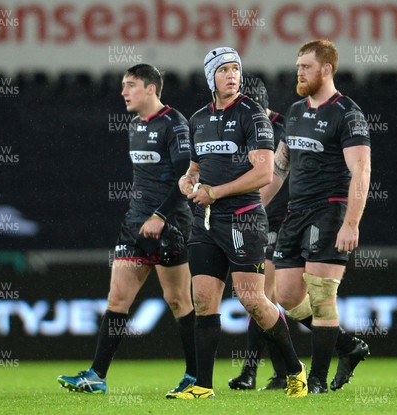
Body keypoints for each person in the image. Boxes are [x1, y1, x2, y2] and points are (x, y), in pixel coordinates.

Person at [166, 47, 307, 399]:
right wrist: (187, 181)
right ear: (209, 77)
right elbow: (195, 169)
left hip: (244, 221)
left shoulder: (253, 115)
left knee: (253, 301)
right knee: (203, 300)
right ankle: (202, 386)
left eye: (235, 68)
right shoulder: (197, 119)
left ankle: (294, 369)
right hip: (206, 223)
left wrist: (215, 193)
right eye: (224, 69)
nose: (232, 75)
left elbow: (263, 172)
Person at [57, 64, 196, 395]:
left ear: (151, 89)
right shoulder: (134, 125)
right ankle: (96, 376)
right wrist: (142, 216)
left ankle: (195, 374)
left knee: (177, 300)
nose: (123, 92)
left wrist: (161, 216)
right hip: (136, 223)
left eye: (130, 85)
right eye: (123, 86)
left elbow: (188, 180)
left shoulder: (174, 124)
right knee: (117, 297)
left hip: (170, 224)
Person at [260, 39, 371, 394]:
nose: (299, 73)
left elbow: (362, 172)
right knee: (288, 296)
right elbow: (279, 169)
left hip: (331, 211)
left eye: (305, 67)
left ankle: (318, 382)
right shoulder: (294, 112)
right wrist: (252, 209)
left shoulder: (348, 114)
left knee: (322, 296)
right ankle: (347, 346)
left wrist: (350, 222)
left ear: (327, 69)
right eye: (297, 67)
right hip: (296, 212)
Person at [228, 74, 288, 391]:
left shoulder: (284, 129)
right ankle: (281, 373)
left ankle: (253, 372)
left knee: (262, 297)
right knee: (266, 299)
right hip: (251, 219)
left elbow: (274, 177)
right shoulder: (238, 126)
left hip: (279, 221)